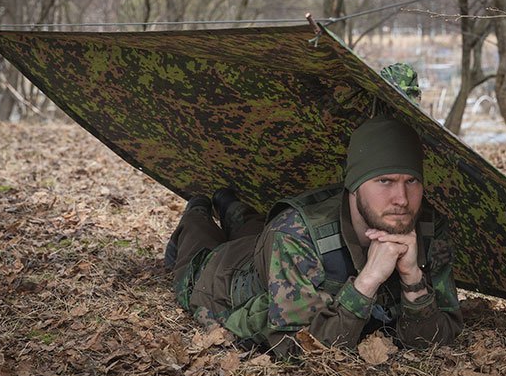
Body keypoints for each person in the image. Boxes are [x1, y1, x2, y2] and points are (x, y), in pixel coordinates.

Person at [164, 116, 462, 355]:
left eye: (412, 181)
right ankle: (200, 207)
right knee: (199, 247)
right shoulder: (294, 233)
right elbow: (301, 344)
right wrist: (367, 282)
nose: (402, 198)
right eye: (385, 181)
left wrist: (413, 279)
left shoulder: (427, 228)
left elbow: (439, 338)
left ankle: (232, 206)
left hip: (269, 249)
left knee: (253, 228)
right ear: (354, 186)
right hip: (225, 275)